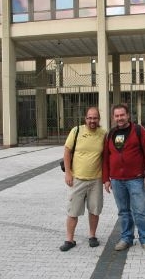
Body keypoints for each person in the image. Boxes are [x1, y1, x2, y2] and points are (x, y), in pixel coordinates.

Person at [102, 104, 145, 252]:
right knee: (123, 211)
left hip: (135, 179)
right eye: (117, 116)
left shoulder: (139, 130)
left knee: (139, 210)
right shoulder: (110, 134)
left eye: (122, 115)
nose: (119, 118)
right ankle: (126, 238)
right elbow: (105, 158)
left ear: (128, 116)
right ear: (113, 117)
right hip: (117, 180)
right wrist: (106, 179)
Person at [60, 107, 106, 252]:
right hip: (77, 179)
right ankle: (69, 239)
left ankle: (92, 236)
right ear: (85, 118)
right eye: (89, 118)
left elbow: (107, 156)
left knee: (95, 210)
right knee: (73, 211)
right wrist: (68, 173)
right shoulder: (76, 131)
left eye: (95, 118)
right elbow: (67, 151)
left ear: (99, 119)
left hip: (96, 180)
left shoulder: (103, 134)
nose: (92, 121)